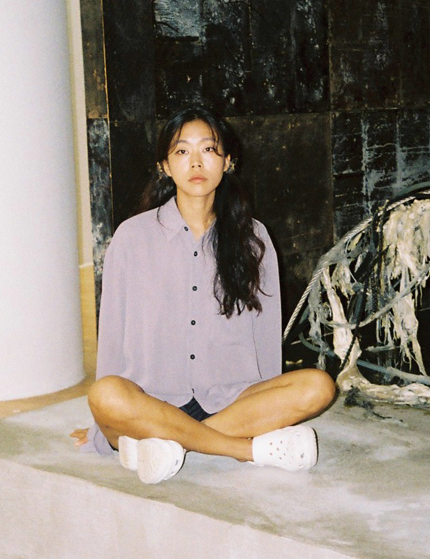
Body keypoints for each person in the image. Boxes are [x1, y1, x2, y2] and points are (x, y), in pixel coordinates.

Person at [71, 106, 336, 484]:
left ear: (227, 161)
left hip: (231, 400)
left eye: (208, 150)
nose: (196, 162)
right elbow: (112, 334)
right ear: (165, 165)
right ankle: (241, 450)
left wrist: (268, 410)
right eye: (182, 152)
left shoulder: (253, 237)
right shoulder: (132, 237)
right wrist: (102, 427)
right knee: (105, 394)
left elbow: (266, 337)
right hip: (152, 402)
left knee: (318, 385)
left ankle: (171, 446)